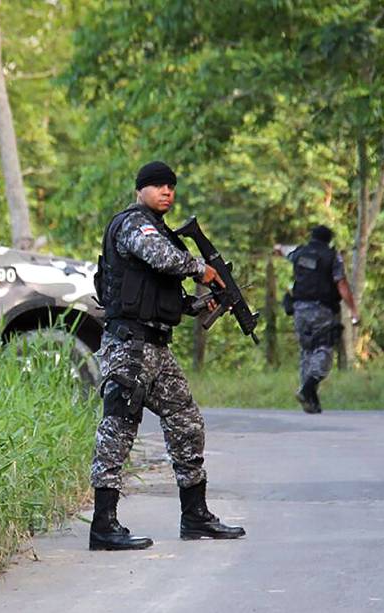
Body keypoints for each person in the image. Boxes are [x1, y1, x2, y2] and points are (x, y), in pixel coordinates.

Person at [89, 160, 245, 551]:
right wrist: (202, 269)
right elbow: (160, 258)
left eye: (171, 186)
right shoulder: (133, 224)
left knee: (187, 421)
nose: (167, 192)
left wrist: (201, 306)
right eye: (158, 185)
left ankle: (195, 516)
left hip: (155, 347)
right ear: (141, 189)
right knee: (119, 429)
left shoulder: (163, 233)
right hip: (129, 346)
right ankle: (103, 525)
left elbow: (166, 296)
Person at [275, 225, 360, 414]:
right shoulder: (332, 257)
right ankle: (308, 387)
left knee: (307, 350)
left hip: (299, 309)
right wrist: (353, 310)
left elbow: (281, 249)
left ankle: (310, 400)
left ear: (311, 237)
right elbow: (342, 284)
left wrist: (277, 248)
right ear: (329, 240)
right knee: (324, 348)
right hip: (322, 309)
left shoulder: (300, 252)